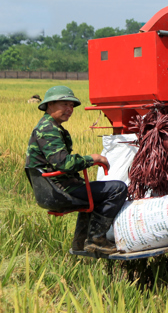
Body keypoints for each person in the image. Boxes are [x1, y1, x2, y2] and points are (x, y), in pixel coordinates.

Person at [25, 85, 127, 255]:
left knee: (93, 194)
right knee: (117, 189)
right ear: (49, 105)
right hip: (59, 189)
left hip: (54, 188)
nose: (69, 109)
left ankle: (80, 242)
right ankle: (96, 240)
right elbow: (63, 163)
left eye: (71, 106)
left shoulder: (49, 126)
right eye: (64, 104)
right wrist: (93, 159)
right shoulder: (49, 130)